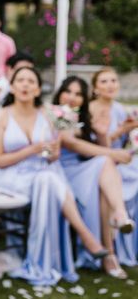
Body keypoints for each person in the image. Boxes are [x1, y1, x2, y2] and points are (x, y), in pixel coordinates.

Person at [0, 67, 107, 286]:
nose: (25, 84)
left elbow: (53, 155)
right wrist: (32, 150)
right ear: (13, 87)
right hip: (10, 176)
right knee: (48, 180)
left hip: (42, 173)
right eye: (20, 80)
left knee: (47, 179)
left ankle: (42, 260)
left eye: (31, 81)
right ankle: (85, 236)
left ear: (37, 90)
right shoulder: (1, 116)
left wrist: (53, 152)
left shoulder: (46, 114)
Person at [53, 76, 134, 278]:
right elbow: (71, 144)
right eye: (68, 91)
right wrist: (113, 153)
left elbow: (101, 149)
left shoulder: (82, 117)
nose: (72, 97)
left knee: (103, 179)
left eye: (78, 94)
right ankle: (116, 228)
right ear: (60, 92)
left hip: (84, 170)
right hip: (62, 171)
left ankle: (116, 227)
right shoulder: (56, 113)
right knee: (105, 162)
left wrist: (101, 133)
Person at [89, 67, 138, 268]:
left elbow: (126, 143)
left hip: (120, 161)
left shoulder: (119, 109)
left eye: (113, 80)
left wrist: (131, 131)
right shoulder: (91, 109)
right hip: (99, 161)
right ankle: (112, 248)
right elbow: (96, 146)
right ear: (95, 88)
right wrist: (121, 131)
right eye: (104, 81)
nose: (110, 85)